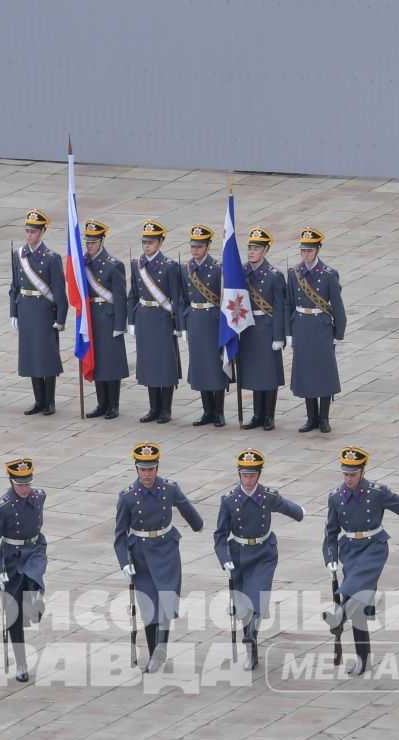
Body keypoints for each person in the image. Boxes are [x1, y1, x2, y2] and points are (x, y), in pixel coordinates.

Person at [322, 447, 399, 677]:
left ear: (362, 471)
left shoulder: (376, 492)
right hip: (350, 550)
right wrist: (330, 559)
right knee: (358, 603)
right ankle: (363, 658)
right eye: (345, 474)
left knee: (356, 586)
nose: (349, 478)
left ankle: (340, 614)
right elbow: (330, 533)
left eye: (352, 474)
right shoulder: (335, 497)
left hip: (374, 547)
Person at [113, 441, 204, 672]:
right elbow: (119, 535)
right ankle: (155, 651)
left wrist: (198, 525)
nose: (147, 474)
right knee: (148, 605)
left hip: (166, 550)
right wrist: (124, 562)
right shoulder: (127, 497)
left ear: (157, 468)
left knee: (167, 599)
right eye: (143, 469)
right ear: (136, 469)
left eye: (151, 469)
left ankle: (160, 648)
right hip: (141, 553)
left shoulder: (169, 488)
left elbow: (184, 506)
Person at [214, 448, 304, 672]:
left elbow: (285, 506)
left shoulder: (267, 496)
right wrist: (224, 559)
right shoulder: (229, 500)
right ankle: (251, 651)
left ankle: (252, 632)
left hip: (264, 553)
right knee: (243, 604)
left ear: (259, 475)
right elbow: (220, 534)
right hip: (239, 554)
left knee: (257, 594)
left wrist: (300, 512)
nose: (247, 479)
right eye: (244, 475)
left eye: (252, 475)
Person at [0, 457, 48, 684]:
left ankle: (37, 602)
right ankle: (21, 661)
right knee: (14, 614)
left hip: (34, 550)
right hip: (10, 557)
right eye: (20, 484)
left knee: (34, 581)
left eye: (27, 483)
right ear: (11, 482)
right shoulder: (1, 508)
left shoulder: (39, 496)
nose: (24, 488)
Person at [6, 209, 65, 415]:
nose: (29, 235)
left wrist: (60, 318)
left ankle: (50, 401)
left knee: (46, 357)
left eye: (33, 231)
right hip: (26, 310)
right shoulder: (19, 255)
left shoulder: (51, 258)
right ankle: (38, 400)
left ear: (42, 233)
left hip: (44, 311)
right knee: (31, 355)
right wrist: (14, 312)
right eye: (27, 231)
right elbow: (14, 286)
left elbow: (59, 290)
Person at [288, 228, 346, 433]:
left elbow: (337, 307)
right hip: (302, 326)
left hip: (321, 328)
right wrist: (289, 330)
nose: (306, 254)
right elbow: (289, 303)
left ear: (318, 250)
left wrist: (338, 334)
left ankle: (324, 418)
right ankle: (311, 417)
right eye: (303, 250)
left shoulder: (329, 274)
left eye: (310, 251)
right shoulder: (294, 273)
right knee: (306, 372)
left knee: (323, 372)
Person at [130, 220, 184, 424]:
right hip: (144, 317)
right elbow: (133, 294)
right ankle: (153, 407)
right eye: (144, 242)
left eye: (151, 242)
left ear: (160, 242)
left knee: (165, 364)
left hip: (163, 318)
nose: (147, 246)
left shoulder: (170, 266)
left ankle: (166, 409)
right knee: (149, 363)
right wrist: (131, 320)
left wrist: (179, 325)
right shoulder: (137, 264)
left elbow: (177, 298)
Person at [238, 227, 286, 429]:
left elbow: (279, 308)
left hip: (266, 328)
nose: (251, 252)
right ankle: (257, 414)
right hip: (249, 328)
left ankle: (269, 416)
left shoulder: (274, 276)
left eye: (256, 248)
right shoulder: (242, 272)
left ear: (265, 251)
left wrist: (278, 336)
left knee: (269, 373)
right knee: (255, 373)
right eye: (250, 248)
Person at [77, 220, 126, 418]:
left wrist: (120, 324)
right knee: (96, 359)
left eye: (93, 242)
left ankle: (113, 404)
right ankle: (101, 402)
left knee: (110, 362)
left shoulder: (114, 265)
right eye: (87, 242)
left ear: (102, 241)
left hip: (108, 316)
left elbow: (120, 297)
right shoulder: (83, 263)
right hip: (92, 318)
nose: (89, 246)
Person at [181, 224, 228, 425]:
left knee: (215, 366)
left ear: (207, 246)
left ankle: (219, 411)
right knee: (200, 365)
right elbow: (182, 298)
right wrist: (183, 324)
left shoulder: (218, 268)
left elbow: (225, 298)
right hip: (195, 320)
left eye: (199, 247)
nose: (195, 250)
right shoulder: (185, 269)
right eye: (193, 247)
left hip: (212, 320)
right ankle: (207, 410)